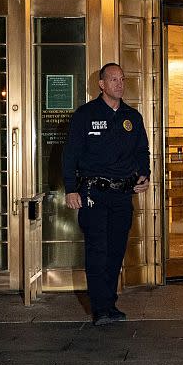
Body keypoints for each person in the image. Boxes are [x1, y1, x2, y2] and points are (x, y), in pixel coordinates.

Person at [62, 63, 150, 326]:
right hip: (93, 194)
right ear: (101, 84)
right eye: (113, 79)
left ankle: (110, 304)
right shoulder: (85, 115)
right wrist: (70, 189)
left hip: (122, 195)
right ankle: (100, 308)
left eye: (122, 79)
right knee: (97, 250)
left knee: (115, 251)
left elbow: (142, 151)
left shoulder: (132, 117)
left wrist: (143, 175)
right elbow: (70, 155)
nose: (119, 84)